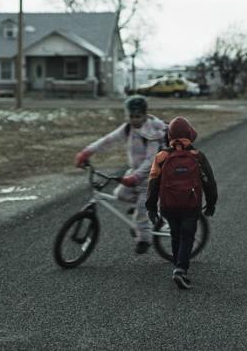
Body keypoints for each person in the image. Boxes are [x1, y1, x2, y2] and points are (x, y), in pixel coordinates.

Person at [74, 95, 168, 254]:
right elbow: (108, 140)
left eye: (138, 116)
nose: (134, 119)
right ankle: (145, 211)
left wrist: (135, 177)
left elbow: (151, 160)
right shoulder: (128, 128)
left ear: (145, 115)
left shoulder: (152, 133)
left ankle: (144, 239)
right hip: (135, 172)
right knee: (120, 194)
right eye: (131, 116)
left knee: (141, 212)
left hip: (152, 177)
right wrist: (86, 152)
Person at [145, 116, 217, 290]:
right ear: (189, 134)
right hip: (190, 205)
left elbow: (153, 182)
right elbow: (209, 182)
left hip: (168, 206)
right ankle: (180, 269)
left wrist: (151, 206)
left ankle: (178, 265)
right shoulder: (197, 156)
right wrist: (211, 203)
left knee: (176, 235)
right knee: (188, 235)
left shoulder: (161, 156)